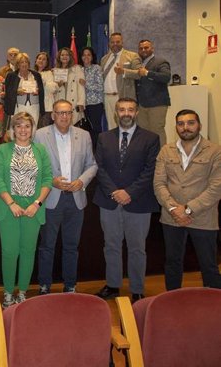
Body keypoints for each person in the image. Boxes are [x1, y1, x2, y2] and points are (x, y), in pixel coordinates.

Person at [93, 97, 159, 302]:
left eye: (130, 109)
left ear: (136, 112)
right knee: (111, 245)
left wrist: (129, 192)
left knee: (137, 247)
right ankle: (113, 285)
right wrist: (115, 191)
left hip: (138, 202)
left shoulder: (151, 138)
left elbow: (151, 170)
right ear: (116, 112)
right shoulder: (104, 137)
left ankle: (137, 288)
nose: (126, 113)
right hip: (109, 200)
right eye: (122, 110)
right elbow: (99, 167)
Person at [34, 100, 97, 294]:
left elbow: (92, 165)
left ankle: (70, 285)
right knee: (47, 245)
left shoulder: (84, 135)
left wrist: (82, 181)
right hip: (51, 198)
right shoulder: (39, 135)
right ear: (53, 115)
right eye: (60, 113)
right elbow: (34, 165)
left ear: (73, 115)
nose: (64, 116)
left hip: (75, 198)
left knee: (71, 246)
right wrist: (51, 180)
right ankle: (44, 285)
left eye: (68, 113)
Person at [154, 109, 221, 290]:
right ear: (176, 126)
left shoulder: (215, 151)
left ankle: (215, 306)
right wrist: (174, 209)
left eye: (190, 123)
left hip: (204, 218)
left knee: (209, 266)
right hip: (171, 218)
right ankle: (172, 303)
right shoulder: (166, 150)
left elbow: (217, 187)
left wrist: (188, 209)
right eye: (181, 123)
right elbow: (159, 184)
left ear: (199, 125)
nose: (185, 127)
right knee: (172, 263)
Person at [0, 112, 52, 308]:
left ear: (32, 129)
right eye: (19, 126)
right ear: (13, 129)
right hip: (9, 208)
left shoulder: (41, 150)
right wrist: (11, 203)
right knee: (9, 252)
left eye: (27, 126)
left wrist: (37, 204)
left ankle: (23, 292)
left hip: (32, 210)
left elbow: (47, 180)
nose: (23, 130)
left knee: (28, 251)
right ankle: (8, 293)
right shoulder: (3, 149)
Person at [100, 33, 140, 130]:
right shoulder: (104, 59)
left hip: (123, 96)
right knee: (111, 127)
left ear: (122, 42)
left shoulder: (132, 56)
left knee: (127, 126)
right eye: (112, 42)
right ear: (109, 44)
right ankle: (115, 145)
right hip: (107, 97)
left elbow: (139, 74)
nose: (115, 44)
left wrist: (124, 71)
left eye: (118, 42)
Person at [134, 39, 171, 146]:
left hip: (157, 103)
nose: (143, 50)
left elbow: (166, 77)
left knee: (157, 131)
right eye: (141, 48)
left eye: (146, 47)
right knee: (144, 133)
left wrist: (147, 73)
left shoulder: (160, 61)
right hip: (142, 105)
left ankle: (162, 157)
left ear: (152, 48)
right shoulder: (139, 63)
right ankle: (148, 157)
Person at [4, 53, 45, 135]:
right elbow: (8, 92)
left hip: (34, 107)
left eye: (26, 62)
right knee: (18, 129)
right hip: (18, 106)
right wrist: (17, 91)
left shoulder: (36, 75)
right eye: (22, 62)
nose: (24, 64)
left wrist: (37, 91)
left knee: (32, 130)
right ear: (18, 64)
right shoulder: (11, 76)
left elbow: (41, 91)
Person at [80, 46, 105, 148]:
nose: (86, 57)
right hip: (83, 104)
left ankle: (97, 151)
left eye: (88, 54)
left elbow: (100, 87)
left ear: (92, 56)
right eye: (84, 55)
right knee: (85, 130)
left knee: (96, 129)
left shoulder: (97, 68)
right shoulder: (79, 69)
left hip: (95, 104)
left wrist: (86, 84)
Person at [53, 47, 85, 126]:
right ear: (59, 57)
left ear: (70, 57)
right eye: (62, 55)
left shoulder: (77, 69)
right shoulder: (55, 71)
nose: (64, 57)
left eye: (67, 55)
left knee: (73, 126)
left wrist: (81, 103)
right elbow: (52, 90)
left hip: (73, 102)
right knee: (61, 125)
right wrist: (57, 85)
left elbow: (81, 87)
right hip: (60, 102)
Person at [34, 51, 58, 128]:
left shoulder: (50, 73)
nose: (41, 61)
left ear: (47, 62)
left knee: (45, 130)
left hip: (46, 108)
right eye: (39, 58)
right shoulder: (31, 74)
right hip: (35, 107)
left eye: (44, 59)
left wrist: (44, 84)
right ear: (36, 60)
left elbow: (54, 88)